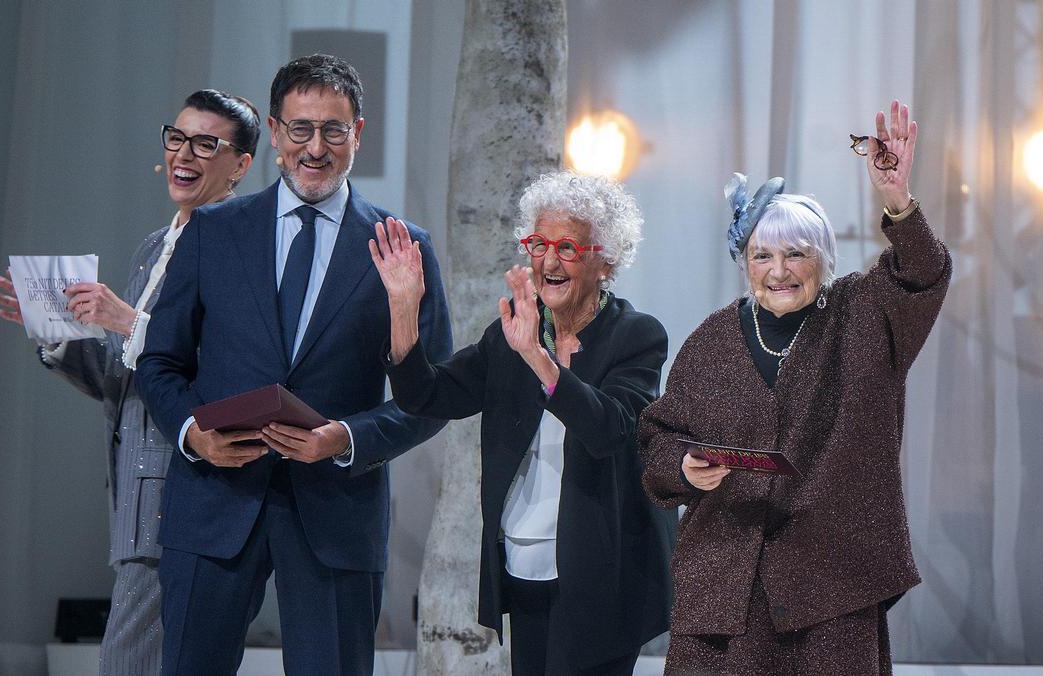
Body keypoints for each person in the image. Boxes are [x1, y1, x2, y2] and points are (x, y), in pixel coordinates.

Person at [135, 54, 452, 676]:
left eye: (334, 130)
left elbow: (434, 394)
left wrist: (347, 439)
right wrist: (193, 434)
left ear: (358, 133)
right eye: (301, 129)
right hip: (214, 501)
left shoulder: (402, 245)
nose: (316, 148)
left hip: (337, 510)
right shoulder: (212, 230)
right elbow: (159, 361)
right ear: (276, 133)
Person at [637, 100, 951, 675]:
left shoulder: (863, 313)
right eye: (762, 255)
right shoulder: (711, 340)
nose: (778, 270)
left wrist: (897, 201)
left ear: (822, 259)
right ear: (745, 263)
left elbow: (923, 273)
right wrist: (684, 467)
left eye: (795, 254)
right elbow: (658, 438)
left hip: (832, 587)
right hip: (724, 588)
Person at [0, 88, 258, 675]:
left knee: (131, 661)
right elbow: (125, 377)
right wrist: (57, 333)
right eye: (177, 138)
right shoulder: (153, 248)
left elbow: (230, 366)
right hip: (133, 491)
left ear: (240, 166)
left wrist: (128, 320)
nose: (183, 153)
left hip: (184, 489)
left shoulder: (240, 246)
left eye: (205, 143)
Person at [371, 171, 677, 675]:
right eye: (539, 244)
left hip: (603, 572)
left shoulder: (636, 335)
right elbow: (426, 395)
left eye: (567, 248)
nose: (549, 262)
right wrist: (404, 310)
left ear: (606, 261)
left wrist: (538, 357)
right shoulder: (510, 334)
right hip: (523, 562)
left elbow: (611, 431)